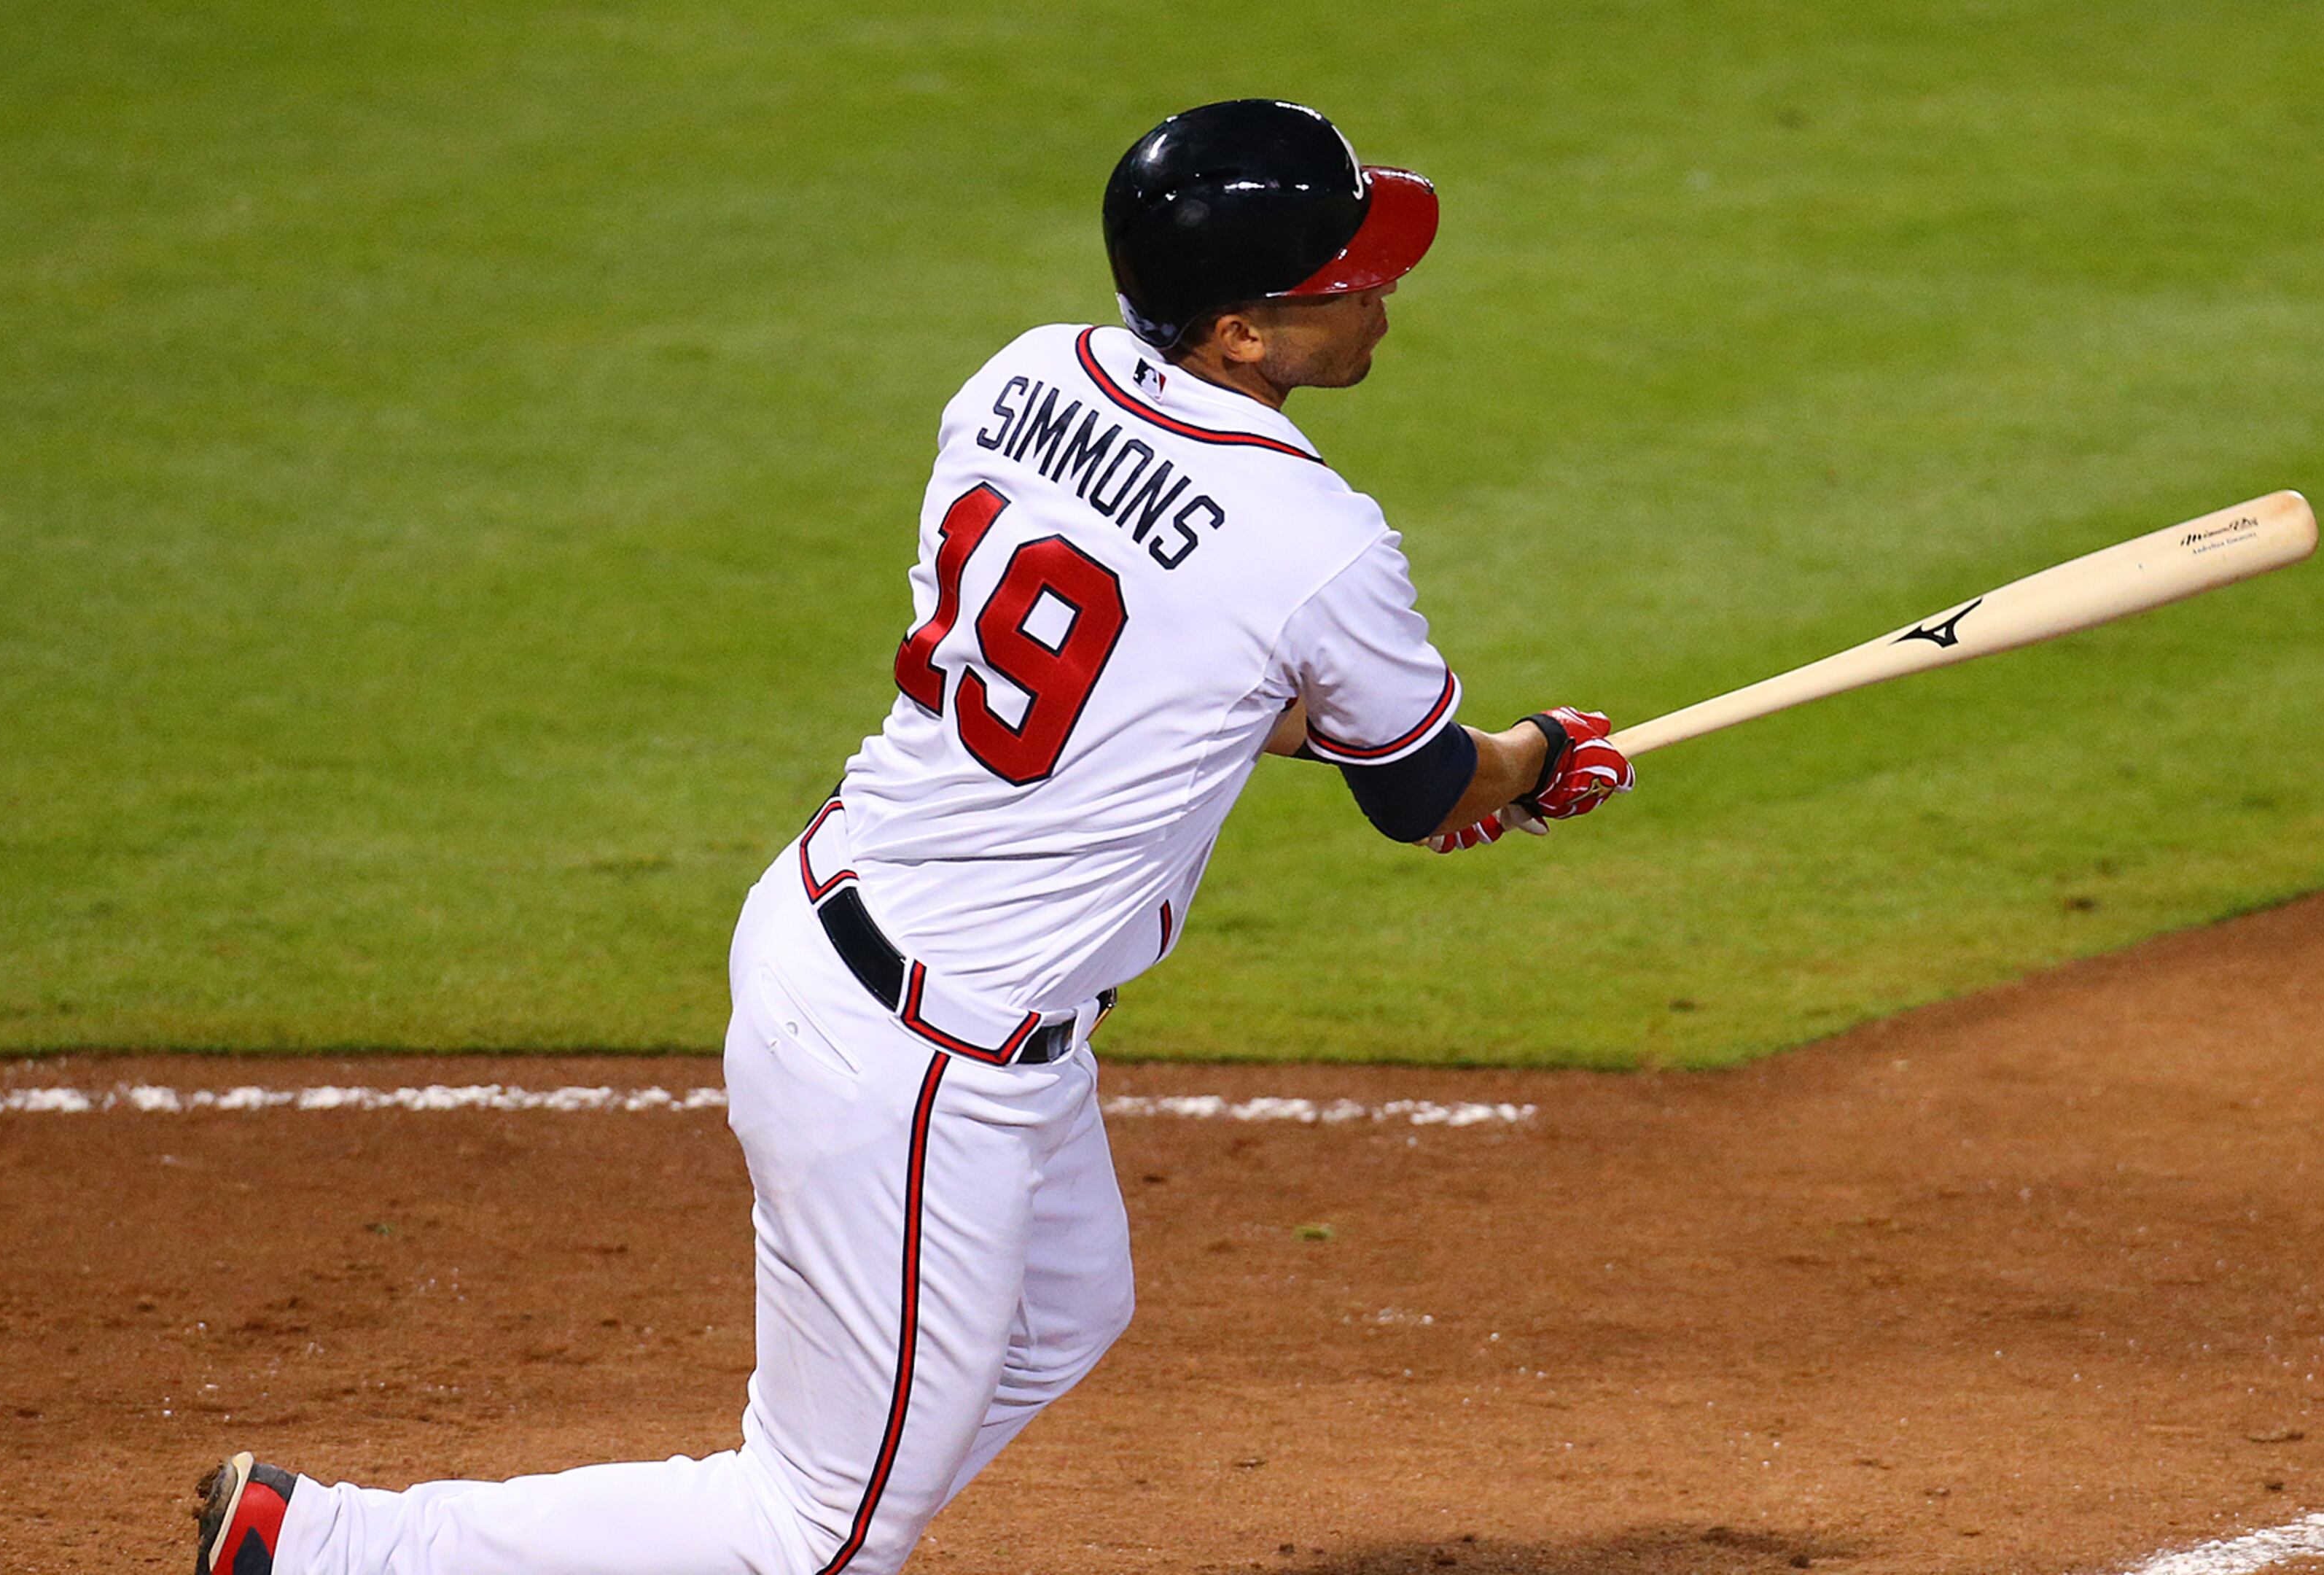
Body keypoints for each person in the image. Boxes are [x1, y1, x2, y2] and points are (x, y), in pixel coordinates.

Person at [193, 97, 1631, 1575]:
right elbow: (1416, 792)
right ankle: (325, 1550)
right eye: (1348, 281)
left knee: (1063, 1314)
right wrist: (1535, 764)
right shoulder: (1315, 539)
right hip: (925, 1056)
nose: (1384, 296)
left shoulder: (1025, 375)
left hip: (839, 918)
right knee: (809, 1536)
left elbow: (1186, 682)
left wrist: (1474, 770)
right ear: (1242, 334)